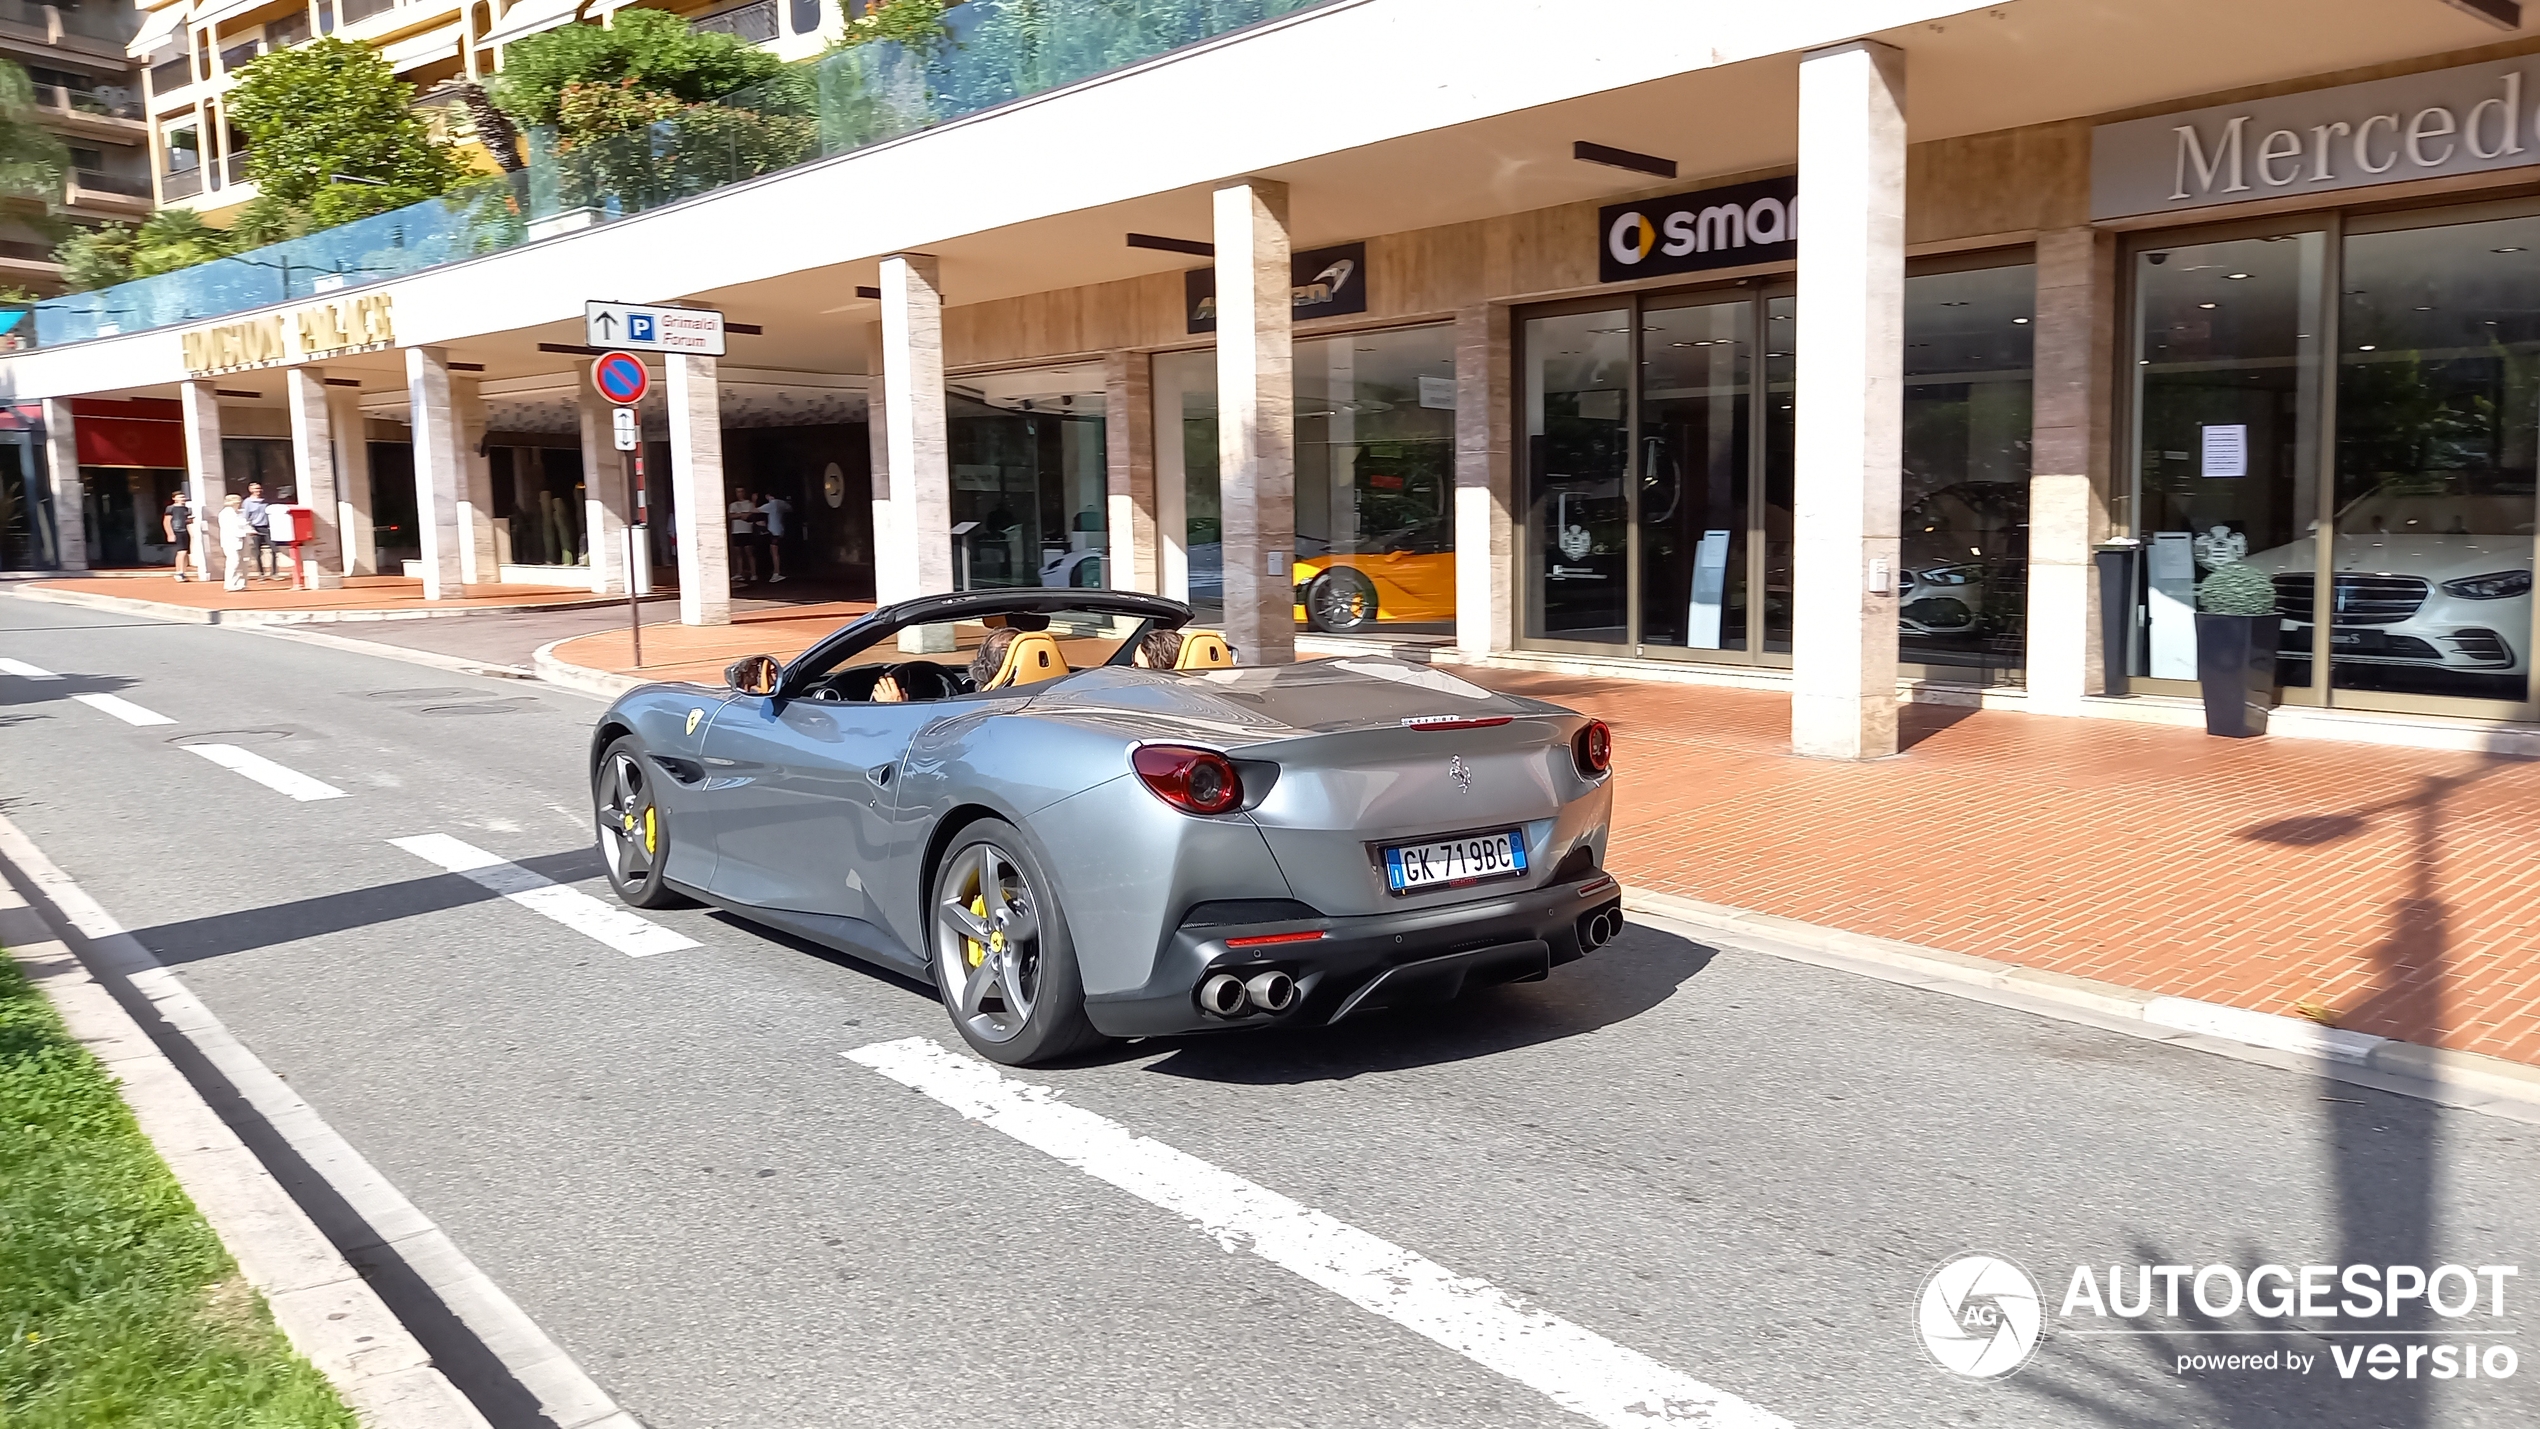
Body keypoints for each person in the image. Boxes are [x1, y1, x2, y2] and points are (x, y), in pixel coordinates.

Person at [757, 490, 792, 585]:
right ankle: (779, 571)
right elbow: (790, 508)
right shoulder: (782, 503)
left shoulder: (772, 504)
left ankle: (777, 572)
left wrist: (753, 500)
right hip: (780, 529)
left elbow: (756, 510)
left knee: (774, 552)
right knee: (778, 551)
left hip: (774, 530)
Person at [218, 494, 251, 591]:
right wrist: (246, 532)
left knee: (243, 562)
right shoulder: (226, 513)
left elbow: (244, 524)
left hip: (242, 540)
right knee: (234, 562)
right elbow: (232, 528)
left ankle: (241, 583)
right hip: (231, 540)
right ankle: (230, 584)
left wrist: (248, 530)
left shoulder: (238, 513)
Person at [241, 483, 274, 581]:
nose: (258, 490)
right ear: (250, 490)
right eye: (255, 489)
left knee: (275, 549)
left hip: (267, 528)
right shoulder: (247, 502)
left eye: (259, 488)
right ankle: (261, 573)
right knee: (257, 552)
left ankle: (274, 573)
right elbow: (245, 516)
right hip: (254, 528)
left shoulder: (266, 501)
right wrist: (249, 528)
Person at [726, 487, 758, 586]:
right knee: (738, 553)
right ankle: (739, 573)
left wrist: (739, 515)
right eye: (738, 492)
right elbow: (730, 516)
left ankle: (753, 573)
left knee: (749, 552)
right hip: (736, 531)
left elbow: (752, 514)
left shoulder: (749, 504)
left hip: (747, 530)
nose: (740, 494)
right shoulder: (733, 505)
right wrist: (742, 515)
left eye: (741, 491)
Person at [165, 487, 197, 581]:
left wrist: (189, 521)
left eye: (183, 496)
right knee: (181, 552)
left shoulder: (186, 508)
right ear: (174, 498)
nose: (183, 498)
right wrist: (170, 533)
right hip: (177, 531)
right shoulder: (171, 508)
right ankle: (179, 572)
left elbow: (185, 520)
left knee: (185, 552)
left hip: (184, 530)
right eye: (180, 497)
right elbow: (166, 521)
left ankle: (183, 571)